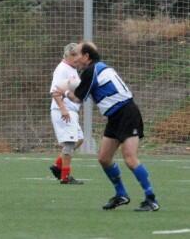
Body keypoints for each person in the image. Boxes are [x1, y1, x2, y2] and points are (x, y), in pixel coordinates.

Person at [53, 41, 159, 211]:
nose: (75, 57)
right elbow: (83, 90)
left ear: (86, 57)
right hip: (115, 116)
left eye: (77, 54)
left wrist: (64, 92)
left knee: (130, 158)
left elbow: (78, 98)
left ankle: (151, 199)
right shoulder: (97, 68)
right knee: (104, 158)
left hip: (126, 113)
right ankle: (121, 194)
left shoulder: (91, 70)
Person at [48, 43, 84, 184]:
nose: (76, 58)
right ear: (66, 55)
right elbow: (55, 91)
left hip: (72, 110)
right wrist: (63, 108)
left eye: (78, 55)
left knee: (79, 139)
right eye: (73, 55)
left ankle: (58, 165)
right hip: (63, 111)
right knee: (69, 143)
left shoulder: (72, 69)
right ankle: (65, 176)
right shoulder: (62, 69)